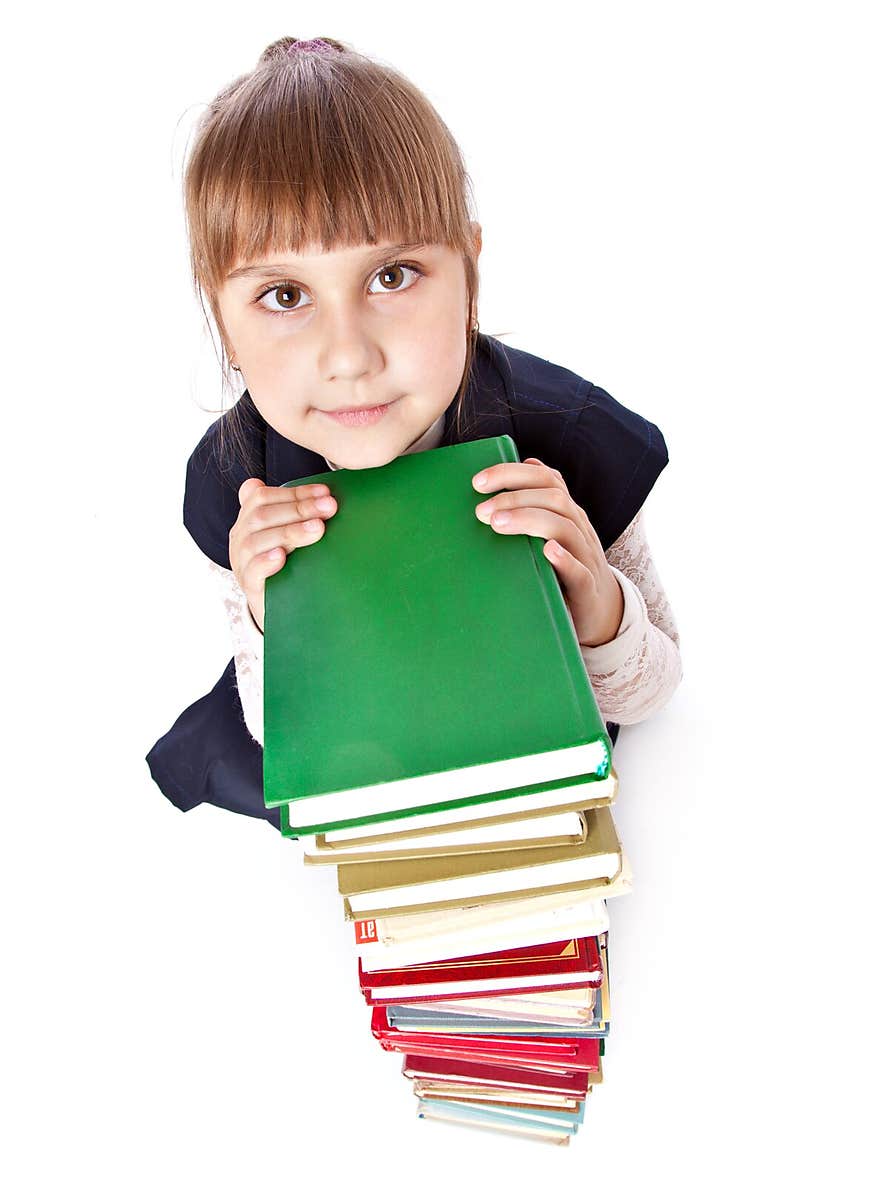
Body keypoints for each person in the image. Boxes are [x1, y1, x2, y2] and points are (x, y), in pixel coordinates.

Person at [147, 35, 683, 830]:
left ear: (468, 272)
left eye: (391, 276)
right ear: (221, 321)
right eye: (286, 295)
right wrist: (269, 613)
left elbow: (655, 687)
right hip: (359, 746)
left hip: (520, 726)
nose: (349, 356)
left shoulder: (567, 433)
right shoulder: (241, 477)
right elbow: (275, 727)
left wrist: (597, 602)